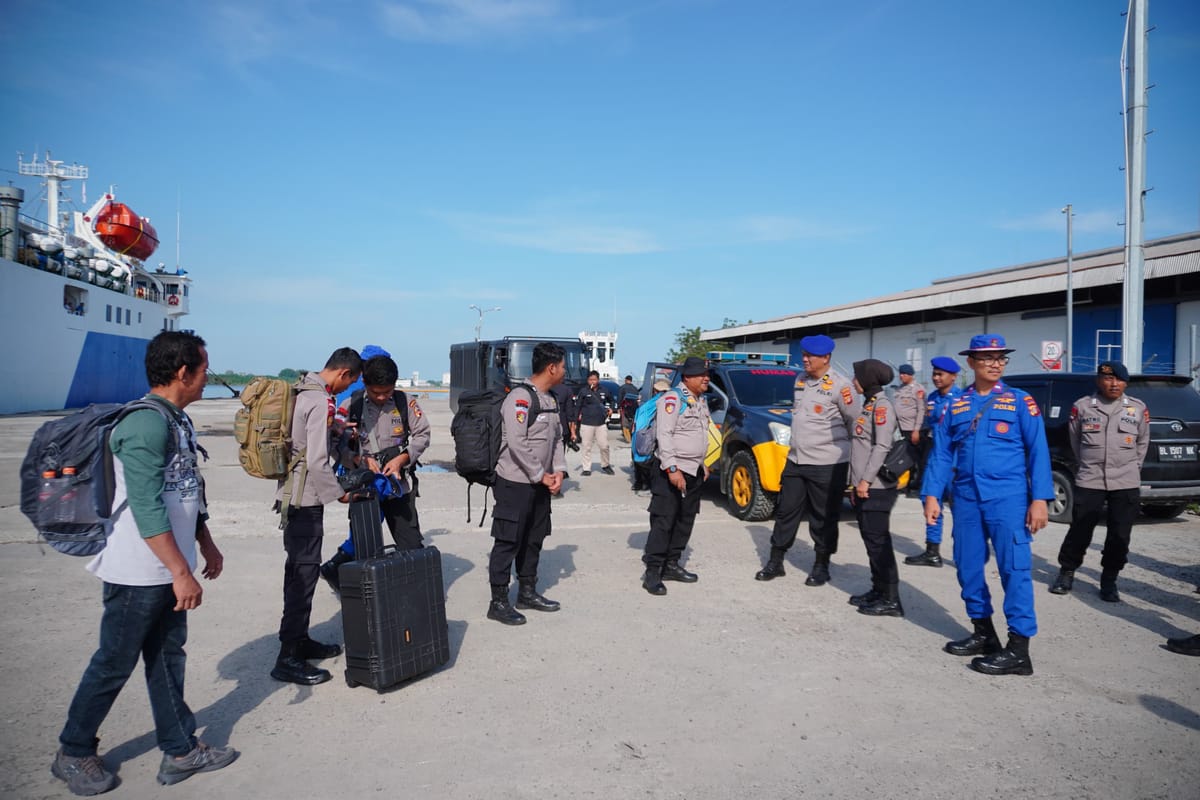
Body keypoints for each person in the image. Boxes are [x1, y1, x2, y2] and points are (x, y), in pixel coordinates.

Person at [54, 331, 238, 795]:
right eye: (203, 369)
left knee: (166, 658)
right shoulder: (144, 424)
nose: (206, 378)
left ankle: (180, 750)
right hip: (138, 572)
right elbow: (145, 506)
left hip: (169, 567)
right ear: (183, 372)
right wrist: (181, 572)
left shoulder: (177, 421)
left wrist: (205, 544)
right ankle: (73, 751)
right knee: (114, 662)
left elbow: (185, 491)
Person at [923, 334, 1053, 676]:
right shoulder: (957, 405)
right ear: (971, 363)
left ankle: (1019, 650)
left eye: (1000, 358)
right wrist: (932, 495)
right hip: (966, 498)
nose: (995, 363)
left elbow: (1039, 451)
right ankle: (984, 634)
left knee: (1015, 570)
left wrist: (1040, 499)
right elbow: (941, 453)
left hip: (1008, 498)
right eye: (987, 358)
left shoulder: (1020, 401)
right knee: (966, 566)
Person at [271, 347, 362, 686]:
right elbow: (316, 460)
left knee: (298, 572)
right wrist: (339, 493)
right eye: (349, 383)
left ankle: (299, 640)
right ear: (344, 375)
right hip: (303, 500)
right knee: (303, 575)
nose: (345, 390)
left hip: (292, 496)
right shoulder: (320, 401)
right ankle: (288, 656)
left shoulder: (302, 390)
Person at [319, 354, 432, 589]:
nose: (381, 397)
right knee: (365, 544)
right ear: (365, 385)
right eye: (375, 392)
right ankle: (362, 593)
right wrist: (357, 459)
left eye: (387, 392)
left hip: (396, 485)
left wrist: (403, 458)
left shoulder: (405, 403)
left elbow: (423, 434)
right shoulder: (351, 405)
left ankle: (416, 592)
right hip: (364, 486)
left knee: (411, 543)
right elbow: (331, 444)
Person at [755, 334, 860, 586]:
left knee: (823, 517)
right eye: (803, 355)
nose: (805, 359)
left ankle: (821, 565)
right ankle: (775, 561)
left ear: (825, 358)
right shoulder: (800, 380)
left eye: (810, 356)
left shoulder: (841, 386)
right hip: (796, 460)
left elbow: (854, 424)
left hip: (827, 464)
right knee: (785, 512)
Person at [1049, 361, 1150, 602]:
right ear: (1099, 380)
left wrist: (1131, 469)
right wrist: (1088, 464)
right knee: (1080, 530)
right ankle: (1067, 572)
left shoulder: (1137, 408)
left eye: (1119, 379)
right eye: (1108, 378)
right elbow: (1075, 441)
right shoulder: (1082, 407)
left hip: (1125, 481)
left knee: (1120, 535)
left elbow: (1142, 443)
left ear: (1125, 383)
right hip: (1091, 479)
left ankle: (1109, 580)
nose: (1113, 383)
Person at [486, 342, 568, 625]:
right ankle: (497, 602)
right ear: (552, 368)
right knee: (508, 541)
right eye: (563, 366)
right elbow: (517, 443)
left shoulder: (551, 400)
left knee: (534, 539)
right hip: (515, 483)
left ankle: (527, 592)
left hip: (541, 485)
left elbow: (557, 439)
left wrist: (558, 471)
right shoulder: (520, 398)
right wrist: (539, 474)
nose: (565, 371)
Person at [642, 356, 712, 595]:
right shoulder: (672, 399)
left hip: (694, 470)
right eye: (701, 375)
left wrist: (702, 464)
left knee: (685, 520)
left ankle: (671, 564)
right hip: (671, 471)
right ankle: (652, 571)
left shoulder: (700, 400)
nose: (706, 379)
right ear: (687, 377)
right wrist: (672, 469)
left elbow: (699, 434)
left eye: (707, 374)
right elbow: (665, 435)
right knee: (664, 520)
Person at [847, 359, 905, 617]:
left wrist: (865, 480)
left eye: (856, 376)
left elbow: (882, 446)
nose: (853, 380)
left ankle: (892, 600)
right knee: (872, 541)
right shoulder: (869, 405)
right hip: (864, 486)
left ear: (868, 379)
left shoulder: (882, 407)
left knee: (879, 542)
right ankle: (878, 590)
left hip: (877, 487)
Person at [907, 356, 961, 567]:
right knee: (929, 502)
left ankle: (963, 554)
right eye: (934, 374)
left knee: (960, 507)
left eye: (941, 374)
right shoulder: (932, 399)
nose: (936, 378)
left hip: (956, 462)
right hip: (936, 457)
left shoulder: (962, 399)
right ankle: (932, 551)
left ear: (954, 377)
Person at [632, 377, 672, 493]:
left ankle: (641, 482)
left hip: (640, 434)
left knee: (640, 458)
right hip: (650, 434)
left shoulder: (651, 402)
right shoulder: (662, 401)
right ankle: (646, 482)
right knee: (650, 459)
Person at [574, 370, 614, 476]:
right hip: (586, 423)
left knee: (604, 445)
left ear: (598, 380)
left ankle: (605, 465)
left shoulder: (604, 390)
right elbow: (578, 406)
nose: (593, 381)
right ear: (587, 380)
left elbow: (612, 400)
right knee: (586, 446)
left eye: (595, 379)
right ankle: (586, 468)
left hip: (601, 423)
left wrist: (611, 408)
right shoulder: (583, 391)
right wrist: (574, 422)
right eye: (591, 379)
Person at [894, 363, 926, 493]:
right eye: (901, 373)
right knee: (906, 456)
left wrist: (916, 430)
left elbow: (921, 410)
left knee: (916, 458)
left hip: (913, 429)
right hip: (902, 427)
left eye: (905, 374)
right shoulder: (899, 389)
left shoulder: (918, 389)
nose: (902, 376)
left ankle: (918, 482)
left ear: (911, 375)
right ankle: (907, 482)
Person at [618, 374, 639, 442]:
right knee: (632, 422)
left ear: (626, 380)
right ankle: (631, 436)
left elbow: (619, 398)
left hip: (625, 408)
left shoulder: (622, 387)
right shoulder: (635, 388)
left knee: (624, 423)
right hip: (634, 408)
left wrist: (618, 407)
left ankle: (628, 438)